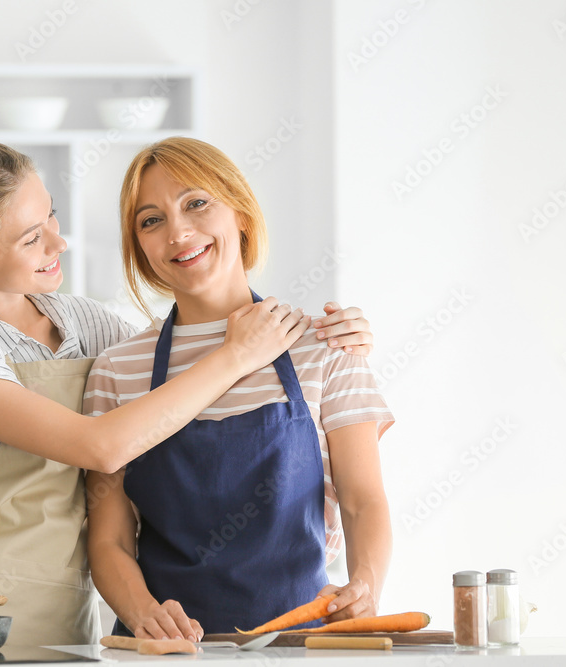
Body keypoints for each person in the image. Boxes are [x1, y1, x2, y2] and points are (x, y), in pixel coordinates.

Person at [0, 140, 374, 647]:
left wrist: (336, 336)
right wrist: (237, 354)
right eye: (32, 238)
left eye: (50, 218)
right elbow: (102, 445)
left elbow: (172, 379)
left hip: (64, 612)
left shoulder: (82, 323)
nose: (59, 243)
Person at [83, 137, 395, 641]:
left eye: (197, 203)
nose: (178, 232)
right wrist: (144, 612)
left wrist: (366, 585)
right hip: (167, 651)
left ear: (241, 216)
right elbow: (110, 538)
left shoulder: (324, 347)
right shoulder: (118, 370)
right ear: (139, 246)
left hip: (302, 644)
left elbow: (364, 502)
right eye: (151, 220)